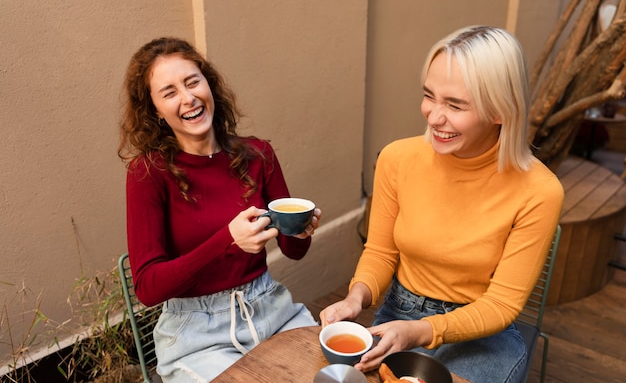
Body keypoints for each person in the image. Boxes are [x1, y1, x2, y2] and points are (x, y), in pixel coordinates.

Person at [320, 26, 564, 383]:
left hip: (483, 333)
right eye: (429, 96)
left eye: (455, 104)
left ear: (501, 110)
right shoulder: (397, 159)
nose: (433, 116)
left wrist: (420, 331)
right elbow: (381, 252)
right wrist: (356, 297)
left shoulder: (539, 191)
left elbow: (501, 306)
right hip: (398, 313)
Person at [117, 37, 321, 382]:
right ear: (154, 110)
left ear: (208, 84)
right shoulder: (148, 174)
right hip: (196, 336)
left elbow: (293, 250)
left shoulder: (258, 155)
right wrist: (227, 240)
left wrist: (300, 230)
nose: (188, 97)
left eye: (193, 81)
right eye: (169, 92)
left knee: (336, 372)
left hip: (272, 310)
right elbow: (148, 287)